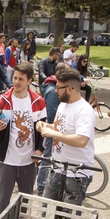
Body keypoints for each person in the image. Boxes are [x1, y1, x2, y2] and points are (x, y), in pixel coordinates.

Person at [0, 63, 47, 215]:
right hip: (6, 162)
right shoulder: (2, 101)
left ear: (29, 81)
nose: (16, 82)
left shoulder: (38, 101)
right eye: (15, 78)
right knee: (3, 204)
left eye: (21, 79)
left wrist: (40, 150)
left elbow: (43, 131)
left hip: (28, 163)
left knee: (26, 204)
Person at [36, 68, 95, 206]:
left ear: (69, 88)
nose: (55, 90)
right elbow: (61, 128)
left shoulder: (84, 110)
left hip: (76, 174)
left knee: (70, 218)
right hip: (58, 168)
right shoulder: (63, 105)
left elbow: (81, 140)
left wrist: (53, 133)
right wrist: (47, 126)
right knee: (47, 211)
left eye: (58, 88)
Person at [35, 63, 66, 195]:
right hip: (51, 131)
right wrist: (55, 132)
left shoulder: (53, 88)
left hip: (52, 130)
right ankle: (41, 187)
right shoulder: (53, 91)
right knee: (47, 158)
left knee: (48, 158)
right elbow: (52, 114)